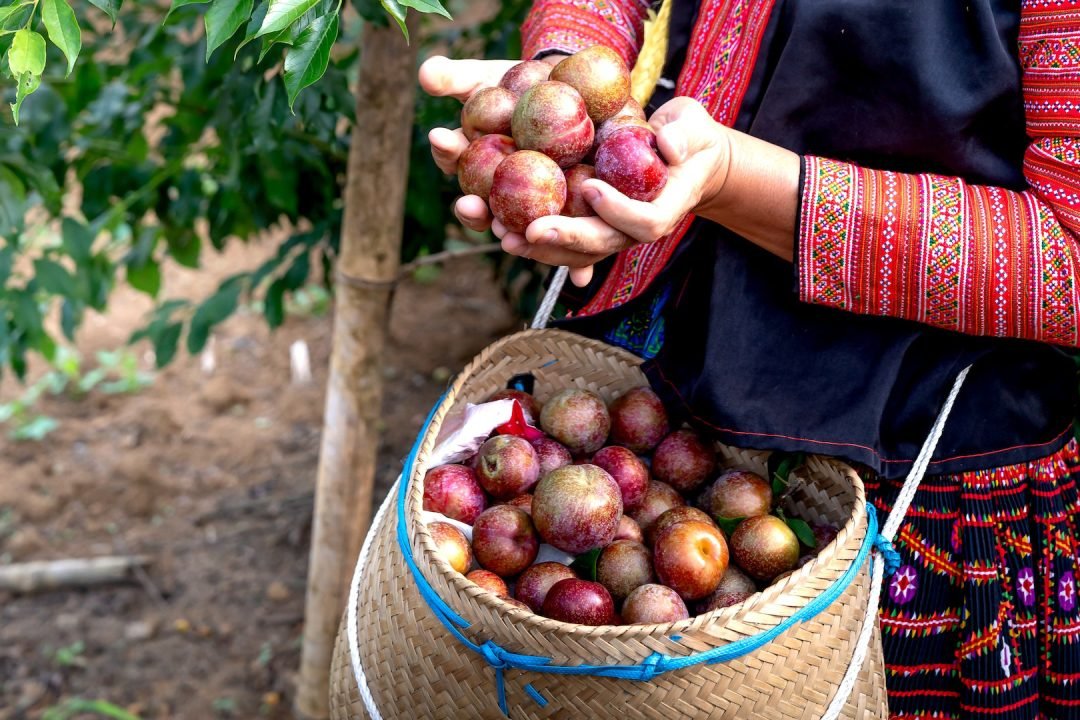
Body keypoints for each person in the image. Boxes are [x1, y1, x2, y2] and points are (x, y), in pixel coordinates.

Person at [419, 1, 1080, 717]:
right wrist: (560, 80)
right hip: (663, 381)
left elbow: (1071, 259)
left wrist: (734, 179)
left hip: (914, 451)